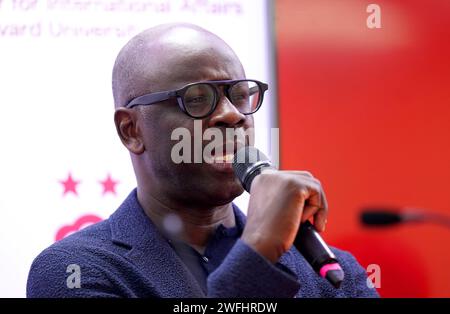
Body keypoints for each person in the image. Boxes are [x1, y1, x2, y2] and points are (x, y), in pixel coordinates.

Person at [27, 23, 379, 298]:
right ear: (131, 130)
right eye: (197, 99)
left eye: (240, 96)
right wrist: (257, 251)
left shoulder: (330, 270)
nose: (232, 115)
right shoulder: (75, 269)